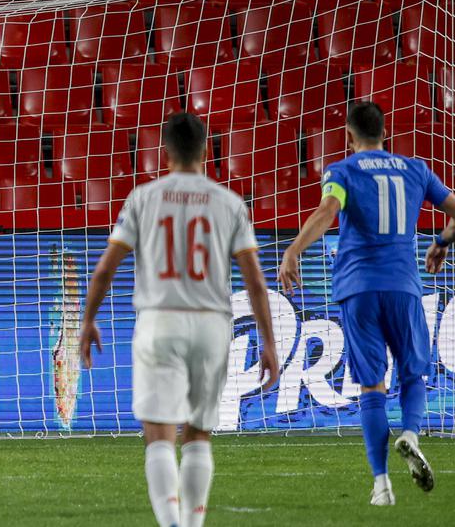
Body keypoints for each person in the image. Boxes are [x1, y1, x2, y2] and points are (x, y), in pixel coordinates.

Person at [79, 112, 280, 527]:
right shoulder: (229, 203)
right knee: (198, 434)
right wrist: (269, 342)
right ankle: (191, 525)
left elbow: (103, 270)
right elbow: (256, 284)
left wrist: (88, 321)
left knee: (159, 436)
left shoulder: (144, 197)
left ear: (164, 152)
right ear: (207, 151)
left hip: (159, 321)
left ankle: (172, 523)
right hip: (211, 325)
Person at [279, 101, 455, 506]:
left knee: (371, 386)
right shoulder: (416, 168)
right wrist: (443, 242)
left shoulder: (343, 172)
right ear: (384, 132)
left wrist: (294, 250)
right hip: (403, 287)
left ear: (348, 135)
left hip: (358, 289)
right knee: (413, 375)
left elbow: (328, 210)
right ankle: (410, 433)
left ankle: (382, 486)